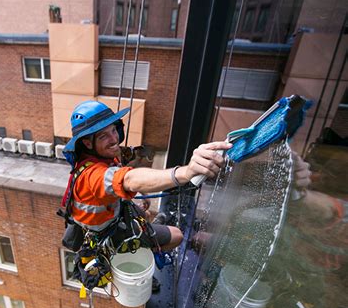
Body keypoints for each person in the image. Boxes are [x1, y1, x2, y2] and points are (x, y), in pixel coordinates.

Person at [62, 100, 232, 252]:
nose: (114, 139)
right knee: (177, 236)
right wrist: (186, 173)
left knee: (146, 215)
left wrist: (141, 194)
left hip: (112, 216)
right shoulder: (92, 176)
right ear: (87, 143)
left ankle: (145, 232)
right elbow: (127, 179)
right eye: (103, 136)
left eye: (114, 130)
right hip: (109, 234)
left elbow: (125, 176)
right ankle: (143, 254)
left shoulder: (103, 156)